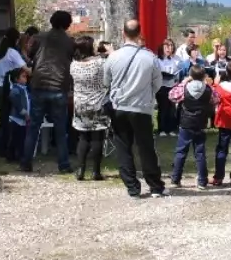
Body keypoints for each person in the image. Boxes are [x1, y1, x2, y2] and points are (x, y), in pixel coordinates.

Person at [104, 20, 165, 198]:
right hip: (142, 107)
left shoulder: (113, 57)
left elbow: (107, 82)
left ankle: (132, 187)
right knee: (146, 147)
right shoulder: (150, 57)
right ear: (139, 34)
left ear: (123, 33)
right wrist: (146, 93)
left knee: (123, 146)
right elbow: (158, 83)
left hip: (119, 106)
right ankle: (155, 186)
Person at [23, 11, 75, 174]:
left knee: (33, 127)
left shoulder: (39, 38)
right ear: (67, 24)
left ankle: (26, 162)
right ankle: (64, 164)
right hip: (59, 86)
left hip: (39, 84)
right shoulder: (69, 42)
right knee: (60, 129)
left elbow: (29, 56)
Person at [70, 36, 109, 181]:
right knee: (97, 137)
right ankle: (96, 171)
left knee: (83, 137)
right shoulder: (100, 63)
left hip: (80, 103)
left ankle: (80, 170)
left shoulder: (74, 65)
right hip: (97, 103)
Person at [169, 65, 214, 188]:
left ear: (190, 76)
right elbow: (216, 99)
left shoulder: (184, 87)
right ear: (204, 76)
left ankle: (175, 179)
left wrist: (184, 82)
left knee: (181, 151)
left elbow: (172, 95)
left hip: (186, 123)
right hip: (201, 123)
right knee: (200, 153)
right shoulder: (208, 89)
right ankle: (202, 181)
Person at [0, 28, 26, 159]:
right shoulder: (12, 52)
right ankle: (11, 148)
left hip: (0, 85)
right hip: (8, 86)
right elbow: (24, 67)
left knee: (2, 117)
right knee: (12, 118)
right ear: (16, 39)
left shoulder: (1, 52)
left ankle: (1, 147)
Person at [155, 40, 180, 138]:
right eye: (167, 47)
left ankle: (170, 128)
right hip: (162, 87)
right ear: (162, 48)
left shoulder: (173, 60)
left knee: (171, 109)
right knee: (163, 109)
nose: (169, 49)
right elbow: (156, 73)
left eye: (170, 47)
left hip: (171, 86)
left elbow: (176, 72)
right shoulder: (157, 60)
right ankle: (162, 129)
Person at [6, 68, 31, 163]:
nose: (26, 79)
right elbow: (16, 103)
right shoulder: (16, 90)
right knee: (14, 139)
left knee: (21, 139)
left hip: (23, 120)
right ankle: (10, 156)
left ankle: (19, 155)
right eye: (23, 77)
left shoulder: (25, 89)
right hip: (16, 119)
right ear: (16, 79)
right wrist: (24, 112)